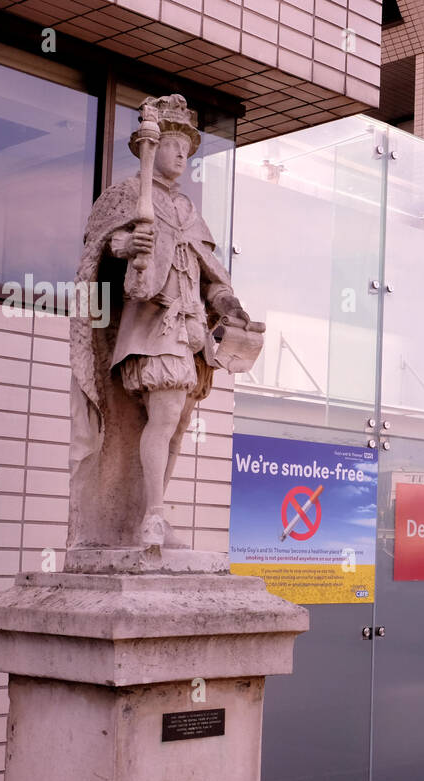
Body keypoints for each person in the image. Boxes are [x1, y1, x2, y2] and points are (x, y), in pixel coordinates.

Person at [69, 94, 263, 550]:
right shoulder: (124, 197)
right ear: (153, 148)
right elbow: (102, 252)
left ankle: (150, 511)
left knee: (176, 425)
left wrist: (228, 302)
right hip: (151, 330)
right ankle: (153, 515)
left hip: (192, 331)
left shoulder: (189, 213)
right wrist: (124, 246)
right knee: (167, 413)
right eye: (175, 145)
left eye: (187, 149)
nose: (182, 155)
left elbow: (208, 276)